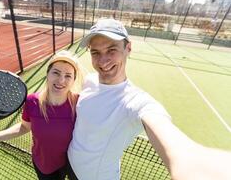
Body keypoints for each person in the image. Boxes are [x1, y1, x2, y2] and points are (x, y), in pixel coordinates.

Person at [66, 18, 231, 180]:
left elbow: (158, 123)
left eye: (111, 50)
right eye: (95, 52)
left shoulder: (136, 102)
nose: (103, 60)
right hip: (70, 166)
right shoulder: (90, 80)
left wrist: (191, 161)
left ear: (128, 48)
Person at [0, 51, 83, 180]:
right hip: (45, 165)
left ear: (73, 80)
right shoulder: (32, 101)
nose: (61, 80)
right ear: (47, 74)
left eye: (68, 76)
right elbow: (24, 127)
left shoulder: (81, 104)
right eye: (56, 72)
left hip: (75, 164)